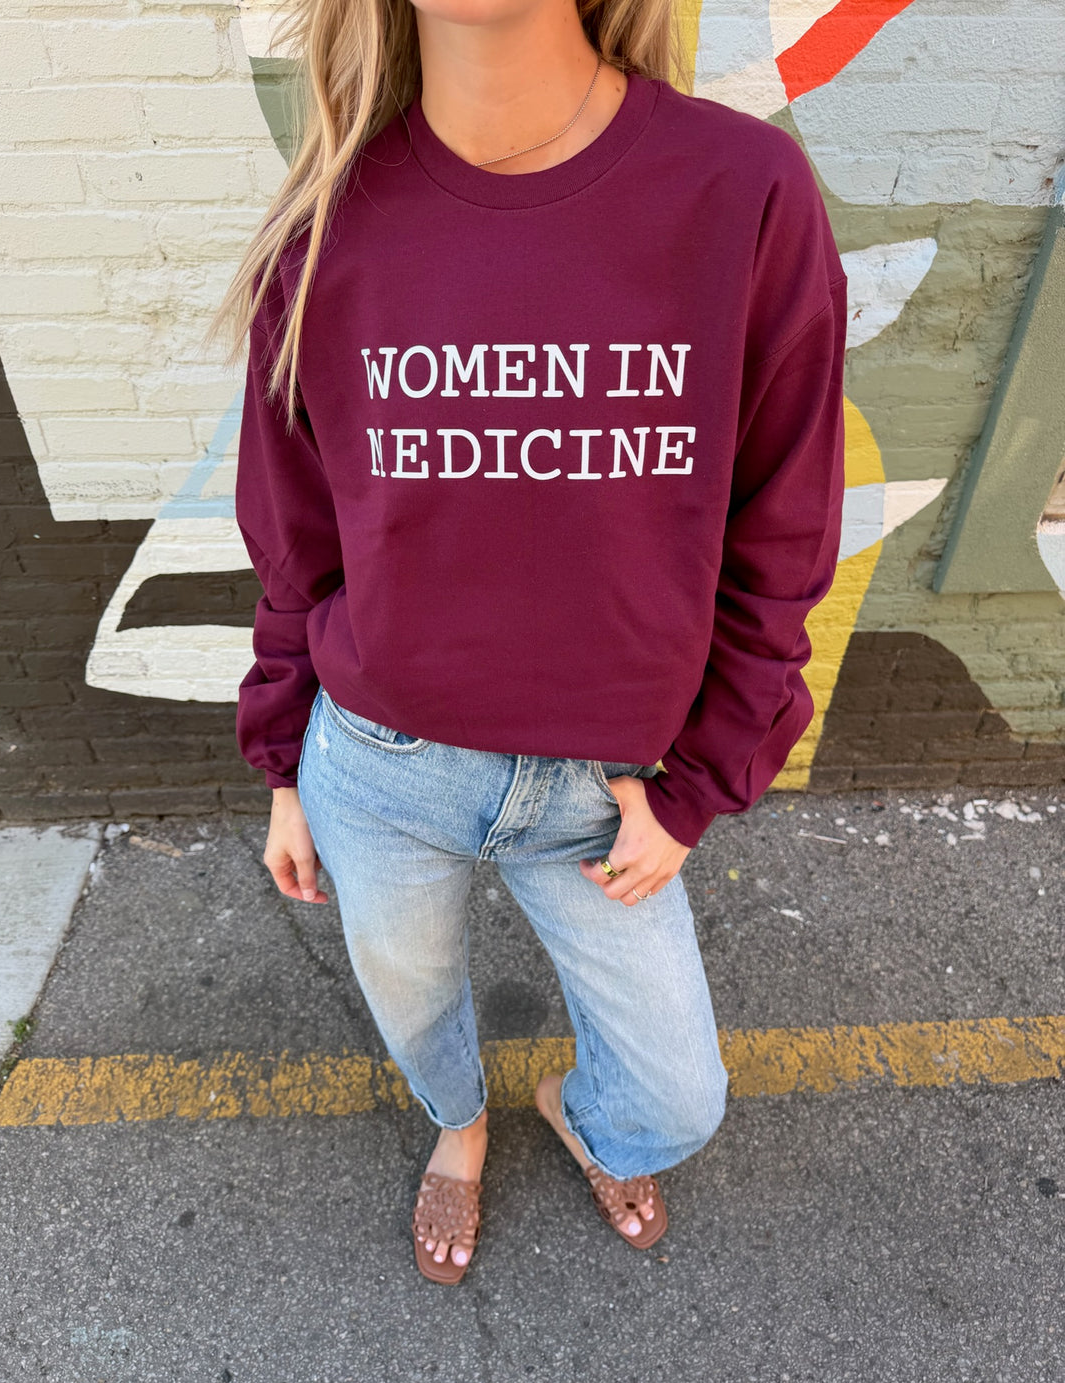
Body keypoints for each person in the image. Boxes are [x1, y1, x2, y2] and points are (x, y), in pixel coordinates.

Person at [209, 0, 847, 1285]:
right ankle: (459, 1125)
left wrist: (702, 779)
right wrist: (283, 763)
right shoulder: (327, 224)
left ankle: (581, 1113)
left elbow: (782, 530)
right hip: (380, 767)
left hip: (602, 795)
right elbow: (298, 538)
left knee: (678, 1101)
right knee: (414, 1010)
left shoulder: (741, 191)